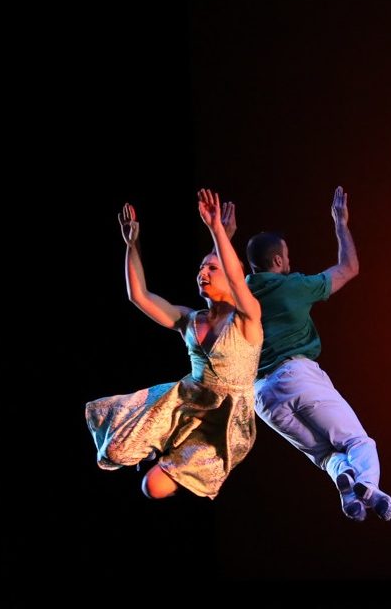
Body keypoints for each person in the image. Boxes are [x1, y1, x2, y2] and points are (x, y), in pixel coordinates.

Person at [85, 189, 263, 499]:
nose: (202, 273)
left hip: (222, 422)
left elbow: (234, 276)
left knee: (152, 488)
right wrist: (132, 245)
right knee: (114, 449)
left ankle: (168, 452)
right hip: (185, 401)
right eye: (200, 269)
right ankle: (161, 441)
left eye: (211, 268)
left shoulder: (247, 318)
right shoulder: (189, 319)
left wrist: (217, 229)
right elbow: (139, 296)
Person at [238, 186, 391, 522]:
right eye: (287, 256)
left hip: (261, 398)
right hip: (298, 377)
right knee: (359, 443)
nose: (290, 261)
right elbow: (348, 268)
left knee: (326, 457)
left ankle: (350, 490)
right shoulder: (293, 285)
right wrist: (340, 223)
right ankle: (369, 486)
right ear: (277, 260)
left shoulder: (240, 296)